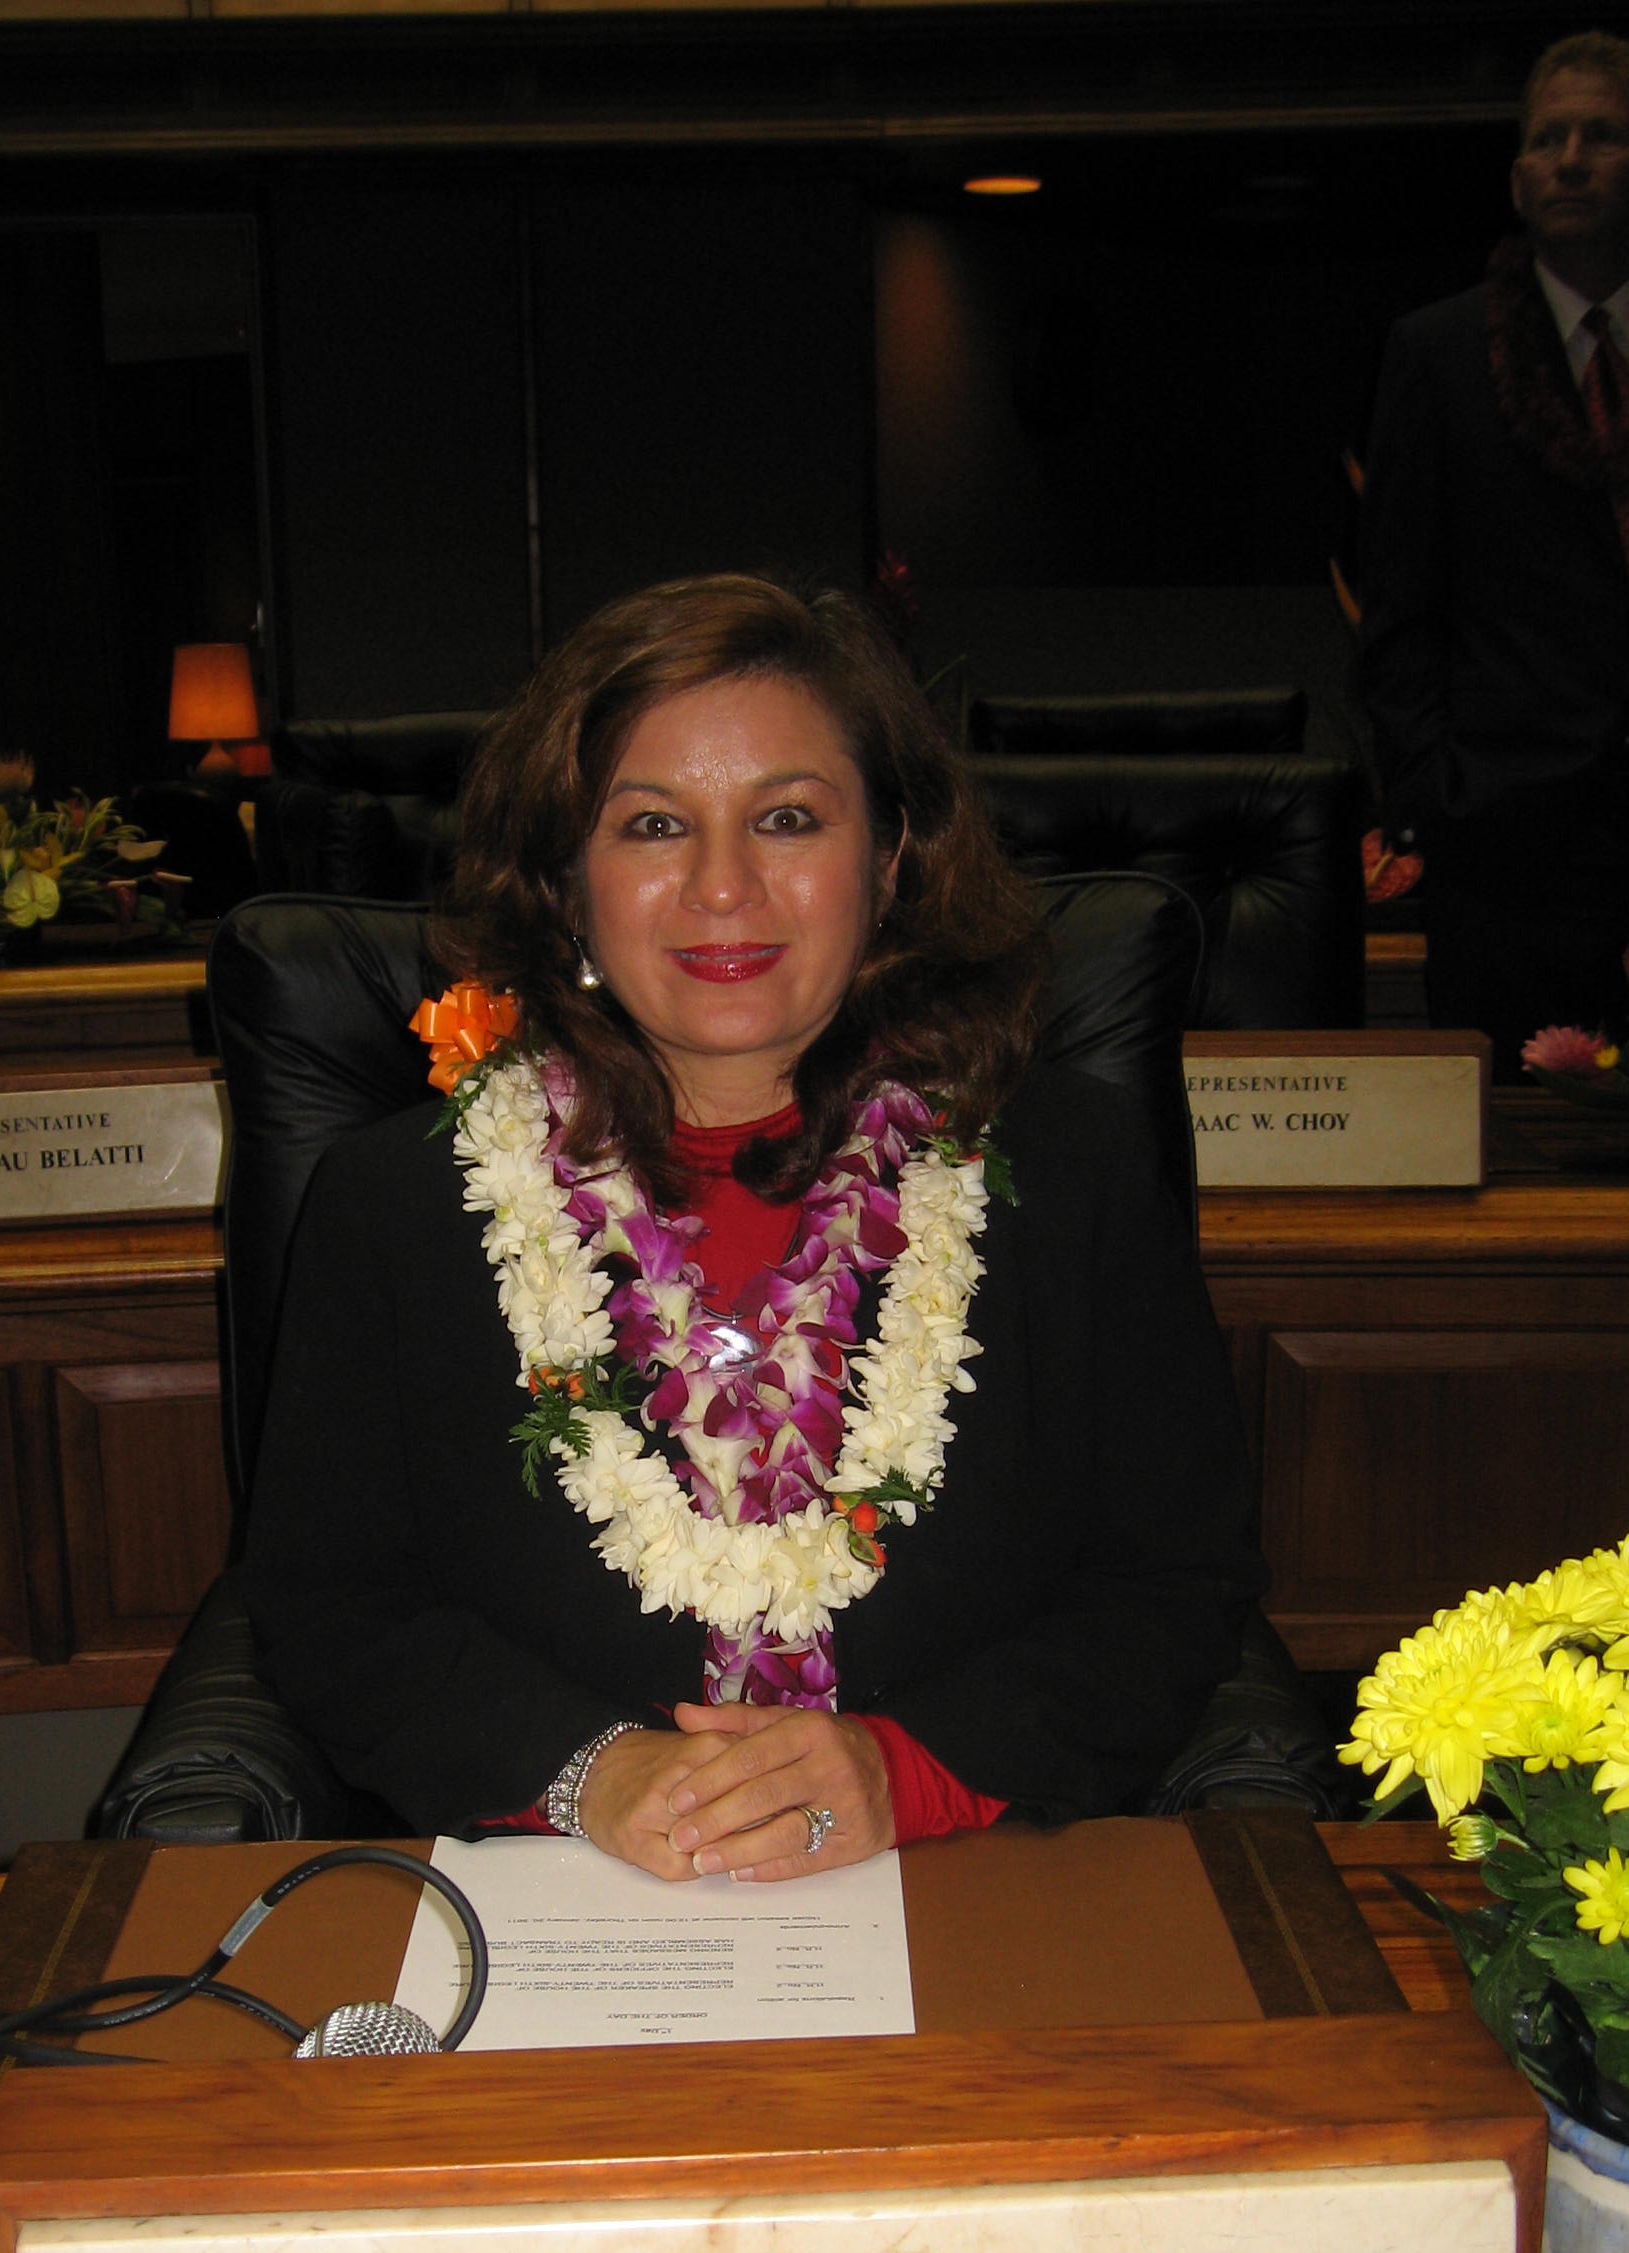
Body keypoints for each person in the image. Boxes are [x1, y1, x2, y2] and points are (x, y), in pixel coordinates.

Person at [246, 574, 1264, 1882]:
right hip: (563, 1887)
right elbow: (330, 1606)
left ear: (889, 860)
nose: (723, 887)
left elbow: (1174, 1583)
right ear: (567, 884)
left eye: (787, 818)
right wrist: (583, 1772)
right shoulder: (393, 1207)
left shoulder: (1075, 1171)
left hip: (974, 1879)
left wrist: (906, 1772)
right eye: (653, 825)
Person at [1358, 32, 1629, 1075]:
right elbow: (1400, 609)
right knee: (1508, 1144)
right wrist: (1435, 792)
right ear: (1517, 179)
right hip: (1503, 848)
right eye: (1546, 140)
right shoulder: (1438, 355)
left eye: (1600, 136)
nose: (1568, 160)